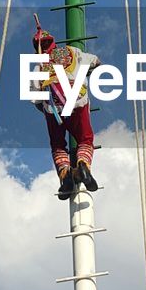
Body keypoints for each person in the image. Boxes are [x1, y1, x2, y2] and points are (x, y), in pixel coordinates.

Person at [31, 22, 100, 199]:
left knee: (58, 145)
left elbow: (35, 98)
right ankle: (83, 164)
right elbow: (96, 61)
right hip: (78, 101)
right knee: (85, 139)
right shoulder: (72, 52)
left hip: (54, 109)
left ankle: (65, 174)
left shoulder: (39, 66)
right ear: (53, 42)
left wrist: (47, 110)